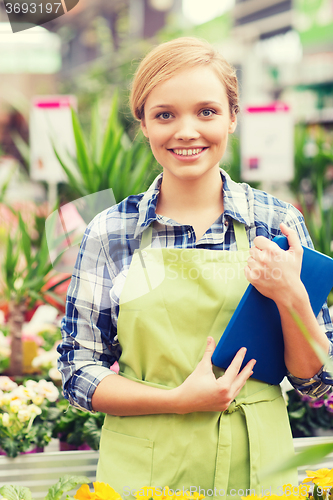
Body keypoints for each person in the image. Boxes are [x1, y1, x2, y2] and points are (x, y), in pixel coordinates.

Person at [58, 37, 333, 499]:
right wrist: (178, 400)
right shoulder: (110, 232)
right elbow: (78, 370)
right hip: (146, 470)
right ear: (143, 123)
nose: (187, 131)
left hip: (259, 469)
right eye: (165, 114)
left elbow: (315, 379)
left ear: (232, 117)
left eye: (206, 111)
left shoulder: (277, 223)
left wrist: (292, 296)